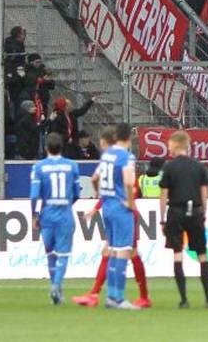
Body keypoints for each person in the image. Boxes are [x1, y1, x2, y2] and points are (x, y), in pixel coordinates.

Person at [158, 131, 208, 309]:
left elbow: (164, 194)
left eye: (170, 144)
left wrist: (162, 219)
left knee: (177, 253)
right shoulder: (198, 166)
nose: (168, 147)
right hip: (195, 211)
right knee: (202, 253)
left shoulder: (169, 167)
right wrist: (203, 213)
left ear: (176, 145)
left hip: (176, 212)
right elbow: (204, 193)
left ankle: (184, 300)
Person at [30, 133, 81, 305]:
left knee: (50, 254)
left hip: (47, 215)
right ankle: (56, 286)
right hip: (65, 213)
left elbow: (34, 196)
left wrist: (34, 215)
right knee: (63, 254)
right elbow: (77, 193)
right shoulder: (72, 166)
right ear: (62, 147)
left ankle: (55, 288)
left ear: (46, 148)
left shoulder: (39, 167)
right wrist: (67, 204)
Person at [93, 123, 139, 309]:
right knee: (123, 251)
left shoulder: (107, 155)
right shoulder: (127, 157)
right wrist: (130, 201)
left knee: (112, 250)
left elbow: (94, 178)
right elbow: (129, 181)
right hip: (121, 208)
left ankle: (111, 296)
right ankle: (117, 298)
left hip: (107, 208)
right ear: (128, 138)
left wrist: (99, 194)